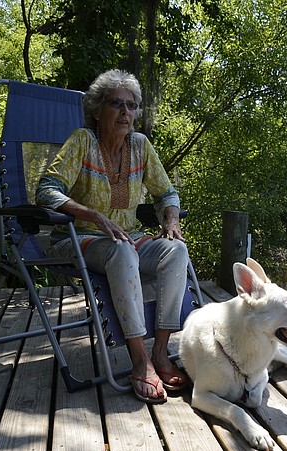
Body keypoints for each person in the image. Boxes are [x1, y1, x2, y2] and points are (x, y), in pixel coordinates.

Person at [36, 69, 188, 403]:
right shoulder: (83, 141)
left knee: (175, 251)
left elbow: (167, 193)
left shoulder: (140, 146)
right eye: (116, 104)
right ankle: (139, 359)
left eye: (131, 106)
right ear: (96, 109)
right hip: (80, 238)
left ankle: (160, 351)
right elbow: (46, 191)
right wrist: (91, 214)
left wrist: (172, 217)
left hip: (129, 238)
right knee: (122, 251)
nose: (125, 112)